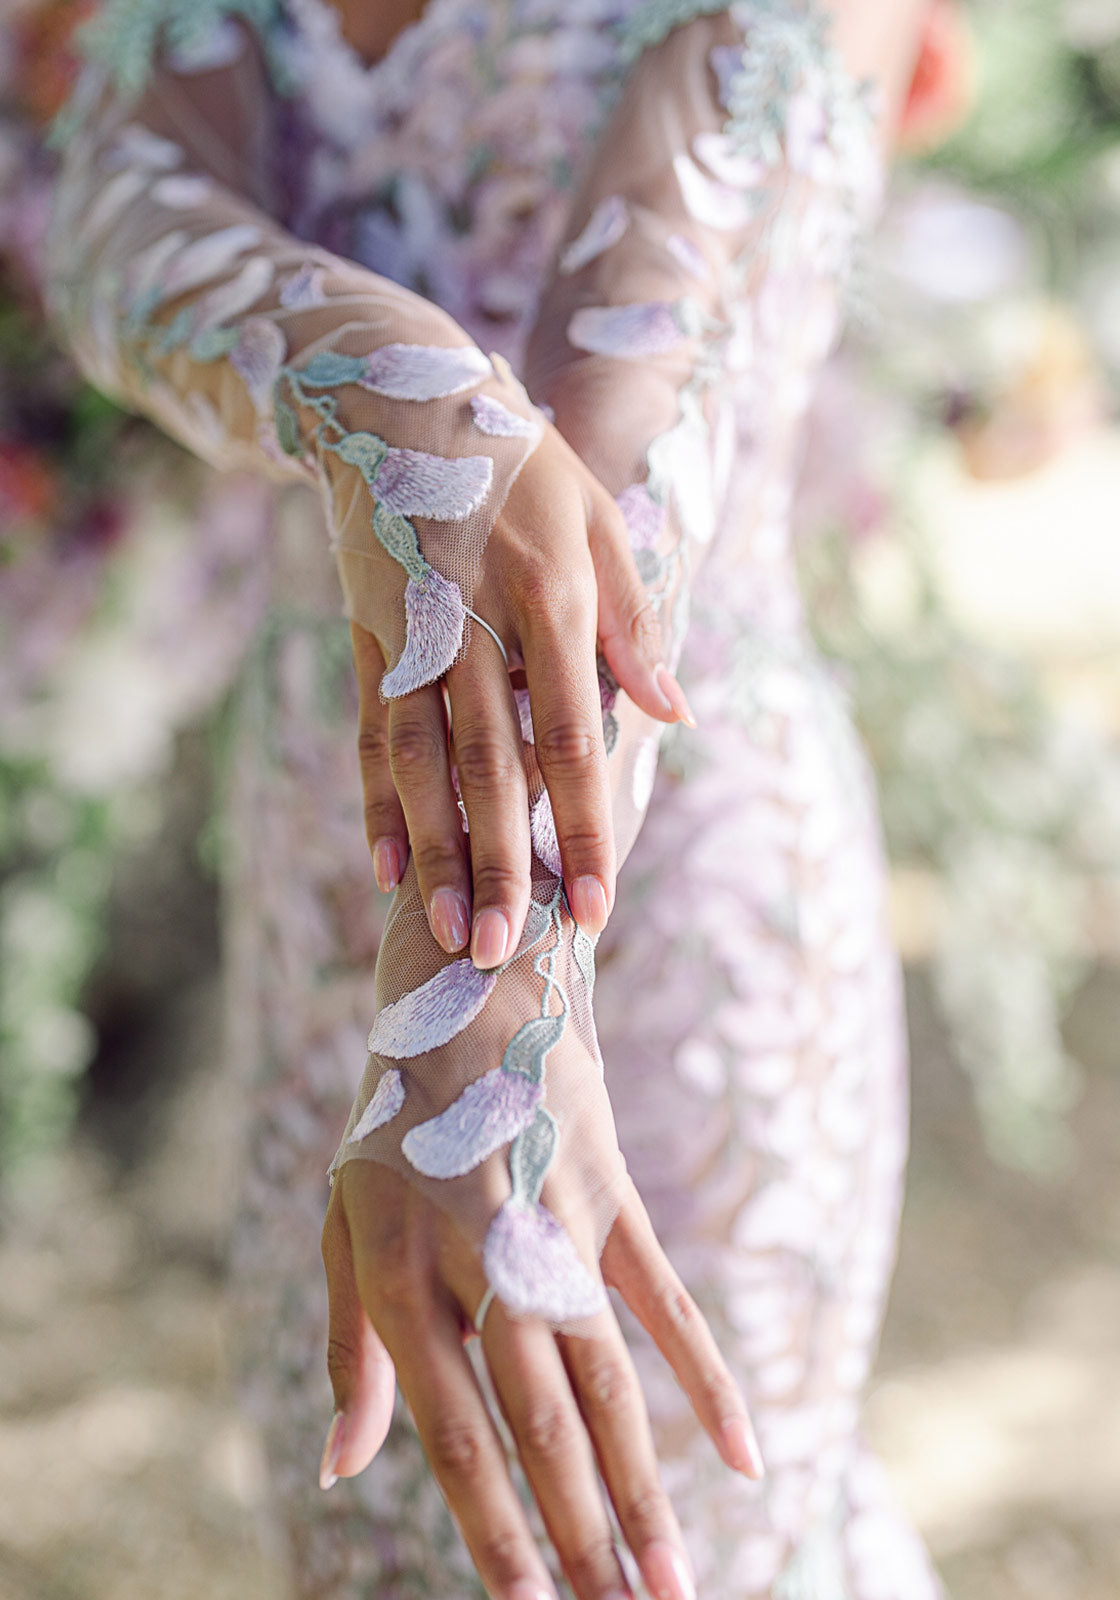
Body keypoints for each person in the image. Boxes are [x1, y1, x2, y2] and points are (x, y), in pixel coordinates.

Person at [43, 0, 961, 1594]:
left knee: (669, 1537)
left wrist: (490, 996)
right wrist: (395, 390)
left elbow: (650, 359)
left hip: (664, 868)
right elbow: (120, 222)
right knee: (382, 1528)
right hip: (324, 861)